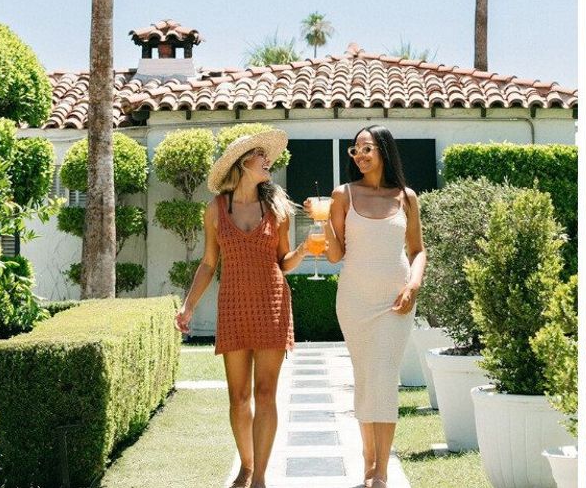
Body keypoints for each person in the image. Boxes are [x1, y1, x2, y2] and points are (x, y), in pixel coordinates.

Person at [175, 129, 309, 488]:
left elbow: (285, 262)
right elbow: (207, 263)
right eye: (259, 155)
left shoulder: (277, 207)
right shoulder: (216, 209)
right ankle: (246, 467)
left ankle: (261, 476)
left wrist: (306, 250)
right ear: (241, 164)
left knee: (266, 393)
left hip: (272, 305)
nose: (268, 160)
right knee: (238, 398)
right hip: (233, 307)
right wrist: (188, 307)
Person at [305, 125, 426, 488]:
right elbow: (336, 254)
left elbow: (417, 251)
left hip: (396, 300)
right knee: (365, 379)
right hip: (355, 300)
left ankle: (381, 472)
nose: (359, 156)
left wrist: (413, 286)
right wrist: (323, 221)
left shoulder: (406, 197)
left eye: (366, 148)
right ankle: (368, 461)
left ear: (384, 151)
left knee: (385, 379)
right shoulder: (342, 195)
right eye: (354, 150)